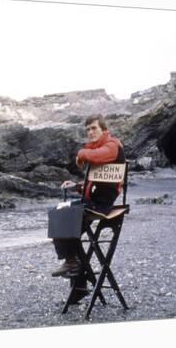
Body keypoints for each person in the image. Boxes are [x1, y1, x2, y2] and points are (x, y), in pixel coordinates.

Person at [51, 114, 125, 277]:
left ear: (104, 129)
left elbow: (96, 156)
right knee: (58, 211)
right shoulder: (96, 148)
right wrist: (78, 186)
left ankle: (73, 264)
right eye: (88, 130)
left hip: (101, 204)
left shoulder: (112, 145)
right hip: (92, 201)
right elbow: (98, 180)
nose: (90, 132)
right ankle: (75, 268)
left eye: (94, 128)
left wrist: (81, 153)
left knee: (65, 217)